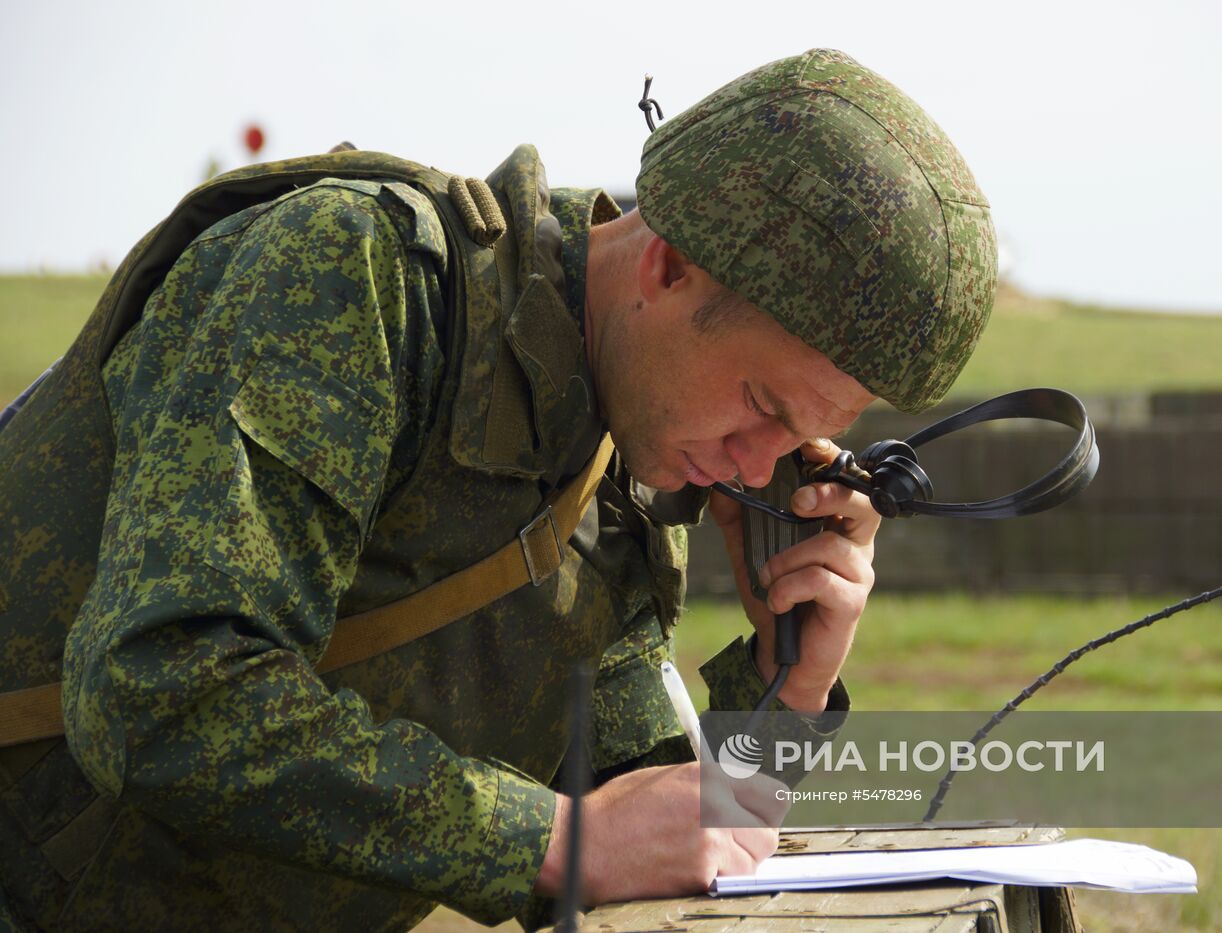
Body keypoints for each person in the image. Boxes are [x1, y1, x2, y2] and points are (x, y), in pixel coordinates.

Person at [0, 48, 996, 931]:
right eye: (758, 404)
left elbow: (660, 835)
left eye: (795, 433)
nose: (750, 468)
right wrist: (556, 844)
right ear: (668, 264)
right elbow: (161, 692)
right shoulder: (353, 283)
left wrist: (792, 683)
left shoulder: (624, 468)